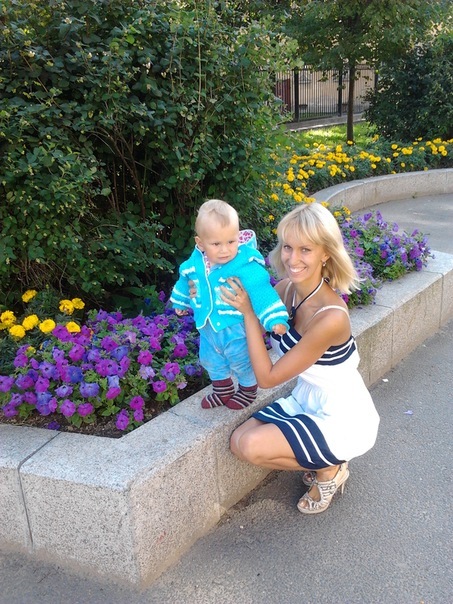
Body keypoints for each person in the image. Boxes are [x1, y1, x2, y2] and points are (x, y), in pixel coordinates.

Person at [220, 202, 380, 514]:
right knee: (239, 441)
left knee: (252, 446)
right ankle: (321, 458)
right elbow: (242, 317)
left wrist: (250, 314)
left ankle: (329, 468)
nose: (292, 259)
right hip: (308, 397)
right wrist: (209, 289)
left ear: (326, 253)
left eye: (305, 249)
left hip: (341, 414)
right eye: (288, 247)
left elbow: (267, 378)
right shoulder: (286, 290)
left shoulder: (331, 317)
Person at [170, 199, 290, 410]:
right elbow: (184, 279)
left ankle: (247, 389)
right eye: (216, 244)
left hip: (235, 326)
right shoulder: (195, 263)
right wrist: (181, 301)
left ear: (238, 237)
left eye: (231, 242)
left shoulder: (244, 264)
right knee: (210, 359)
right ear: (200, 243)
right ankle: (222, 389)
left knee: (241, 359)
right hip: (207, 326)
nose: (225, 250)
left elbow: (261, 290)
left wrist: (275, 319)